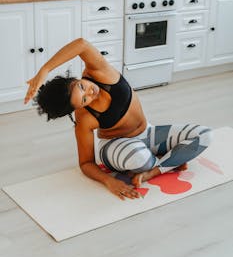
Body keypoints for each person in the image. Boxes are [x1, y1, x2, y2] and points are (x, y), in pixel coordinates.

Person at [24, 38, 213, 200]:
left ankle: (154, 171)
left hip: (148, 132)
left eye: (82, 87)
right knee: (139, 158)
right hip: (116, 146)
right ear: (78, 108)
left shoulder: (100, 73)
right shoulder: (85, 118)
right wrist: (109, 181)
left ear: (76, 78)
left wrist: (45, 69)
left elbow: (81, 44)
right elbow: (86, 164)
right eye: (83, 100)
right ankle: (168, 160)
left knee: (204, 135)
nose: (90, 93)